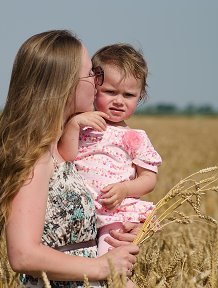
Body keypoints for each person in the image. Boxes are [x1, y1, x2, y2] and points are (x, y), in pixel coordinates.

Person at [0, 30, 140, 288]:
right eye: (92, 74)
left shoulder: (65, 148)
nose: (98, 83)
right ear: (64, 83)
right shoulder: (34, 155)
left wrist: (116, 233)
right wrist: (101, 266)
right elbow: (23, 255)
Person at [59, 43, 162, 258]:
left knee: (112, 266)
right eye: (110, 92)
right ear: (94, 87)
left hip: (113, 215)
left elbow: (148, 179)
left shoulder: (135, 137)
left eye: (128, 95)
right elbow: (66, 156)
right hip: (77, 213)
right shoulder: (82, 125)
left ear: (140, 96)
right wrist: (74, 125)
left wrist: (125, 189)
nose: (118, 101)